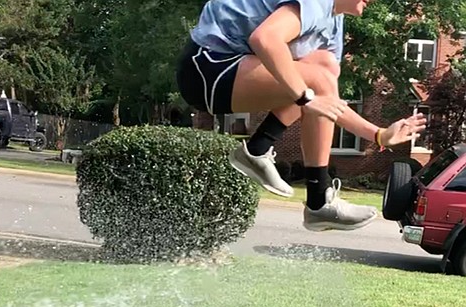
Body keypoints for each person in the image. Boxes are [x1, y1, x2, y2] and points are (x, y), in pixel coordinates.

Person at [176, 0, 427, 231]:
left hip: (230, 70)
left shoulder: (334, 25)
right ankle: (318, 199)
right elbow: (265, 39)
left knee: (323, 69)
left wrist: (379, 135)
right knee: (316, 78)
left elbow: (326, 100)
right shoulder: (317, 1)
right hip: (205, 67)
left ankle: (259, 150)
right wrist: (306, 98)